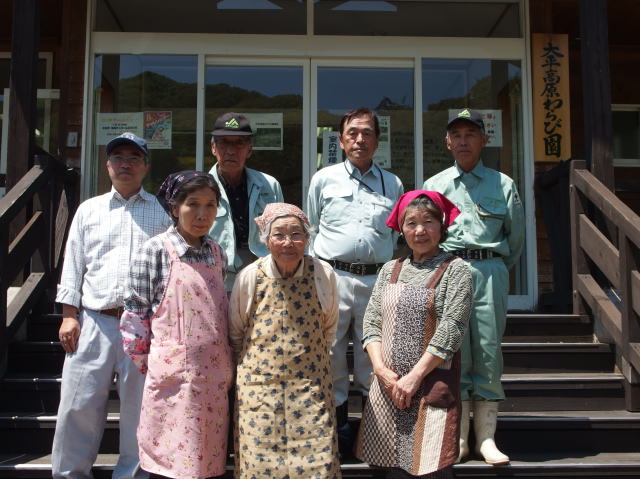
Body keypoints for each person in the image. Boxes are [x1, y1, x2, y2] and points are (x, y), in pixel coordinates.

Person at [52, 132, 172, 479]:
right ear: (107, 166)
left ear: (146, 166)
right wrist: (68, 315)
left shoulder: (162, 212)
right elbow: (73, 263)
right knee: (78, 404)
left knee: (139, 408)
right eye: (118, 157)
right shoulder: (89, 210)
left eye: (134, 157)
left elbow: (169, 269)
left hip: (144, 325)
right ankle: (70, 473)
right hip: (94, 320)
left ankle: (132, 475)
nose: (125, 163)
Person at [423, 108, 525, 465]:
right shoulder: (435, 187)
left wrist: (492, 267)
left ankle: (486, 439)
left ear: (484, 139)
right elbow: (424, 234)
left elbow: (515, 241)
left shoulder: (504, 184)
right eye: (457, 135)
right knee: (452, 351)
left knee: (486, 349)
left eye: (471, 134)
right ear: (448, 143)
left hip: (489, 271)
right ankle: (459, 438)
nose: (463, 141)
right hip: (448, 271)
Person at [120, 171, 233, 479]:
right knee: (170, 462)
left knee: (207, 460)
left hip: (213, 377)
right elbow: (134, 317)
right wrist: (152, 363)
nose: (202, 214)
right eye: (192, 204)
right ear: (173, 208)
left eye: (210, 206)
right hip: (172, 378)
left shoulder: (217, 254)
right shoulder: (156, 250)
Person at [355, 190, 472, 479]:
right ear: (400, 228)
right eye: (411, 223)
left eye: (428, 222)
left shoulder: (457, 271)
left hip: (429, 384)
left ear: (441, 226)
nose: (420, 230)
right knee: (386, 467)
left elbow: (451, 330)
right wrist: (381, 370)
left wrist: (414, 377)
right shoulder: (389, 270)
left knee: (429, 466)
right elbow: (371, 323)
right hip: (388, 387)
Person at [306, 107, 404, 450]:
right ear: (341, 139)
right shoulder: (323, 179)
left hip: (376, 281)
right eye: (352, 133)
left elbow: (394, 235)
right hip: (332, 276)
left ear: (377, 139)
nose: (359, 139)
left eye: (367, 133)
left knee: (373, 355)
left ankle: (374, 431)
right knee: (330, 352)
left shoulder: (392, 183)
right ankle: (337, 430)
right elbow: (313, 228)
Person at [229, 203, 341, 479]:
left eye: (296, 234)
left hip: (310, 386)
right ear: (266, 240)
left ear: (307, 239)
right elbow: (236, 333)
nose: (288, 242)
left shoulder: (323, 274)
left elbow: (329, 327)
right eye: (279, 235)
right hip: (259, 389)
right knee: (260, 465)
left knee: (318, 462)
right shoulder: (250, 276)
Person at [208, 112, 283, 290]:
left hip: (263, 279)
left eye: (239, 143)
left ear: (249, 149)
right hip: (216, 281)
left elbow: (281, 231)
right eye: (224, 143)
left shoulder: (269, 186)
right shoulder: (200, 188)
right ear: (213, 148)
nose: (231, 151)